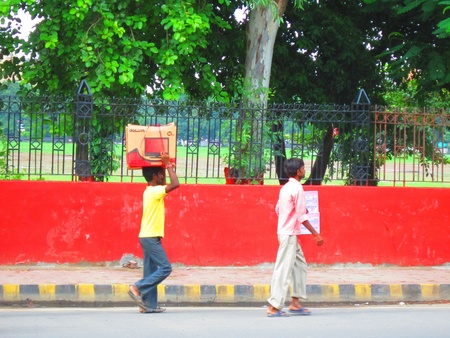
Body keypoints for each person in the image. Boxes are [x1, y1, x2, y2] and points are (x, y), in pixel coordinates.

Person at [267, 158, 324, 317]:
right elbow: (301, 216)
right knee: (284, 270)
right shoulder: (297, 190)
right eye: (303, 167)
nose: (304, 169)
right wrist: (316, 234)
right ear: (298, 171)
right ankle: (274, 306)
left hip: (286, 232)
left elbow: (278, 209)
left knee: (300, 265)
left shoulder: (285, 188)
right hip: (289, 234)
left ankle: (295, 302)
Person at [128, 151, 180, 313]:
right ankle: (137, 287)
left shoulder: (150, 191)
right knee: (165, 268)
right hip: (150, 237)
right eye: (162, 174)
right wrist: (168, 164)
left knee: (150, 270)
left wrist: (165, 166)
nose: (164, 176)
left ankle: (148, 306)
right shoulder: (155, 191)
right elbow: (176, 184)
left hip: (148, 236)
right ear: (155, 177)